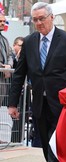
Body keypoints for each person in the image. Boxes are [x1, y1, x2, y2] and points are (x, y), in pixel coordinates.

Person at [8, 2, 66, 162]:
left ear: (51, 17)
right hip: (39, 105)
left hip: (62, 106)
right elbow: (20, 74)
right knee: (47, 150)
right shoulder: (30, 42)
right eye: (35, 20)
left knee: (54, 147)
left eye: (42, 18)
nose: (39, 23)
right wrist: (13, 103)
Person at [0, 13, 13, 144]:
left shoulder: (4, 39)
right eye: (1, 21)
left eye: (4, 21)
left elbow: (10, 54)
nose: (3, 23)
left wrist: (9, 65)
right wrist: (3, 67)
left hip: (2, 81)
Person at [10, 36, 24, 143]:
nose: (21, 48)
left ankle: (16, 141)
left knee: (19, 118)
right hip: (9, 92)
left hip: (23, 94)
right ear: (14, 45)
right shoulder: (12, 57)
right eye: (19, 45)